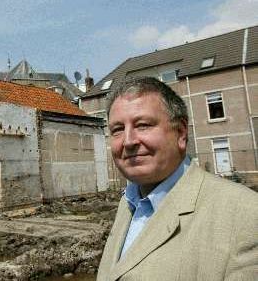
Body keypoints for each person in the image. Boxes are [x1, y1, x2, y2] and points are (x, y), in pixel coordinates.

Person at [97, 77, 258, 281]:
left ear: (181, 133)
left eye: (143, 125)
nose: (128, 141)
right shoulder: (128, 203)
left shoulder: (247, 215)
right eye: (117, 130)